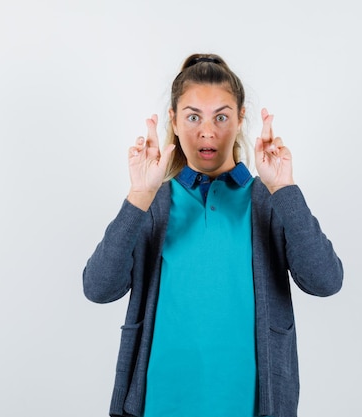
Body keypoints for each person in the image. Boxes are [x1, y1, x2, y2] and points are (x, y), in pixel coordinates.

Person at [83, 53, 343, 417]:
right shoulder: (154, 202)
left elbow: (325, 281)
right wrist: (138, 196)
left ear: (239, 120)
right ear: (173, 120)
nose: (207, 132)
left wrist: (283, 187)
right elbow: (98, 288)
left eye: (221, 116)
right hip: (161, 401)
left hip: (248, 404)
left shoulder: (267, 200)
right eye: (193, 117)